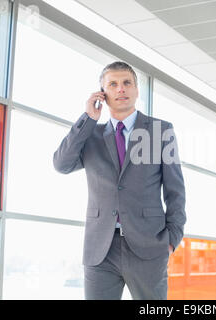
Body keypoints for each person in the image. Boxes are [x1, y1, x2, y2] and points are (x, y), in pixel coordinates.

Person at [53, 61, 186, 300]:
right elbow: (61, 164)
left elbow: (176, 191)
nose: (121, 89)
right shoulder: (91, 134)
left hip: (149, 246)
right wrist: (87, 118)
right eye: (113, 84)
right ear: (103, 94)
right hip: (100, 250)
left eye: (127, 83)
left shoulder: (161, 130)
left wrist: (171, 240)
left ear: (136, 90)